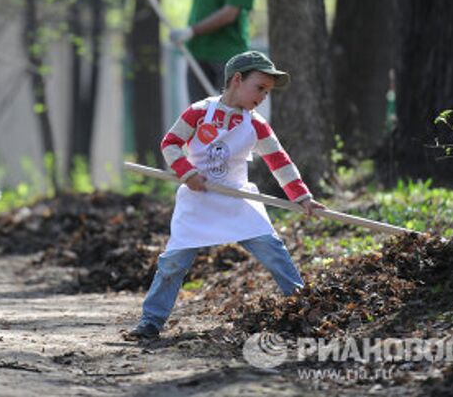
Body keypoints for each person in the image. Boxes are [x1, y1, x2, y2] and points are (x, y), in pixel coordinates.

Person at [127, 50, 325, 340]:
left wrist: (302, 196)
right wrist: (187, 172)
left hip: (238, 200)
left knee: (274, 252)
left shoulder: (257, 124)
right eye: (259, 88)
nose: (263, 97)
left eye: (267, 92)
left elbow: (279, 161)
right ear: (236, 80)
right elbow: (170, 143)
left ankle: (306, 308)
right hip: (198, 199)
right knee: (173, 263)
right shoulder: (197, 112)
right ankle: (150, 322)